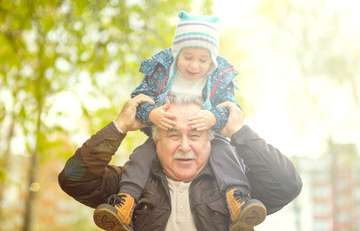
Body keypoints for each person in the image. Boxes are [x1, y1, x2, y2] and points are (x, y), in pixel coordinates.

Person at [93, 11, 266, 230]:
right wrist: (152, 113)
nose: (195, 66)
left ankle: (236, 199)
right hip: (164, 133)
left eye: (203, 60)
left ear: (212, 61)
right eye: (188, 58)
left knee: (225, 153)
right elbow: (140, 95)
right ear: (176, 54)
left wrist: (213, 117)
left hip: (207, 136)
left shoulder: (219, 78)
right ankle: (126, 202)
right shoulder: (162, 70)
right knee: (141, 155)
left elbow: (231, 108)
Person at [58, 94, 303, 231]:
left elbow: (288, 184)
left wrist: (240, 134)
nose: (185, 146)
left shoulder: (236, 190)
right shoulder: (130, 186)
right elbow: (72, 177)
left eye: (195, 135)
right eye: (173, 135)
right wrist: (118, 128)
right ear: (155, 141)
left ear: (210, 140)